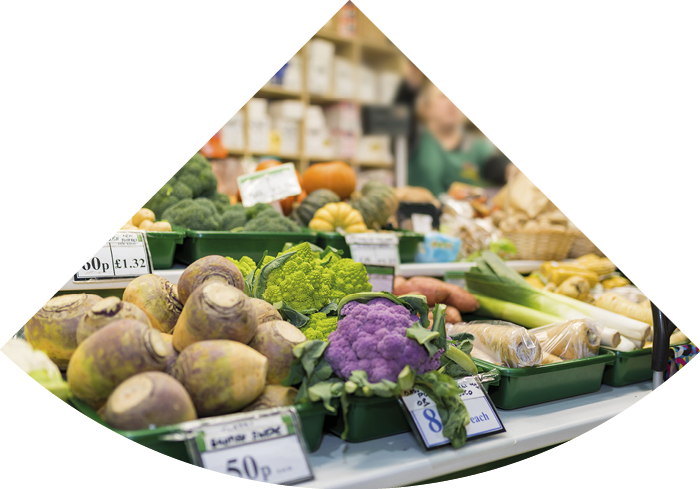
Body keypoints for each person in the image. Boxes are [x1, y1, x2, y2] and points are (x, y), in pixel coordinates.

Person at [408, 81, 518, 196]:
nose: (452, 102)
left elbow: (493, 165)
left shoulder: (476, 145)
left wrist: (509, 169)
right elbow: (403, 102)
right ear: (424, 107)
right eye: (443, 97)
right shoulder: (413, 137)